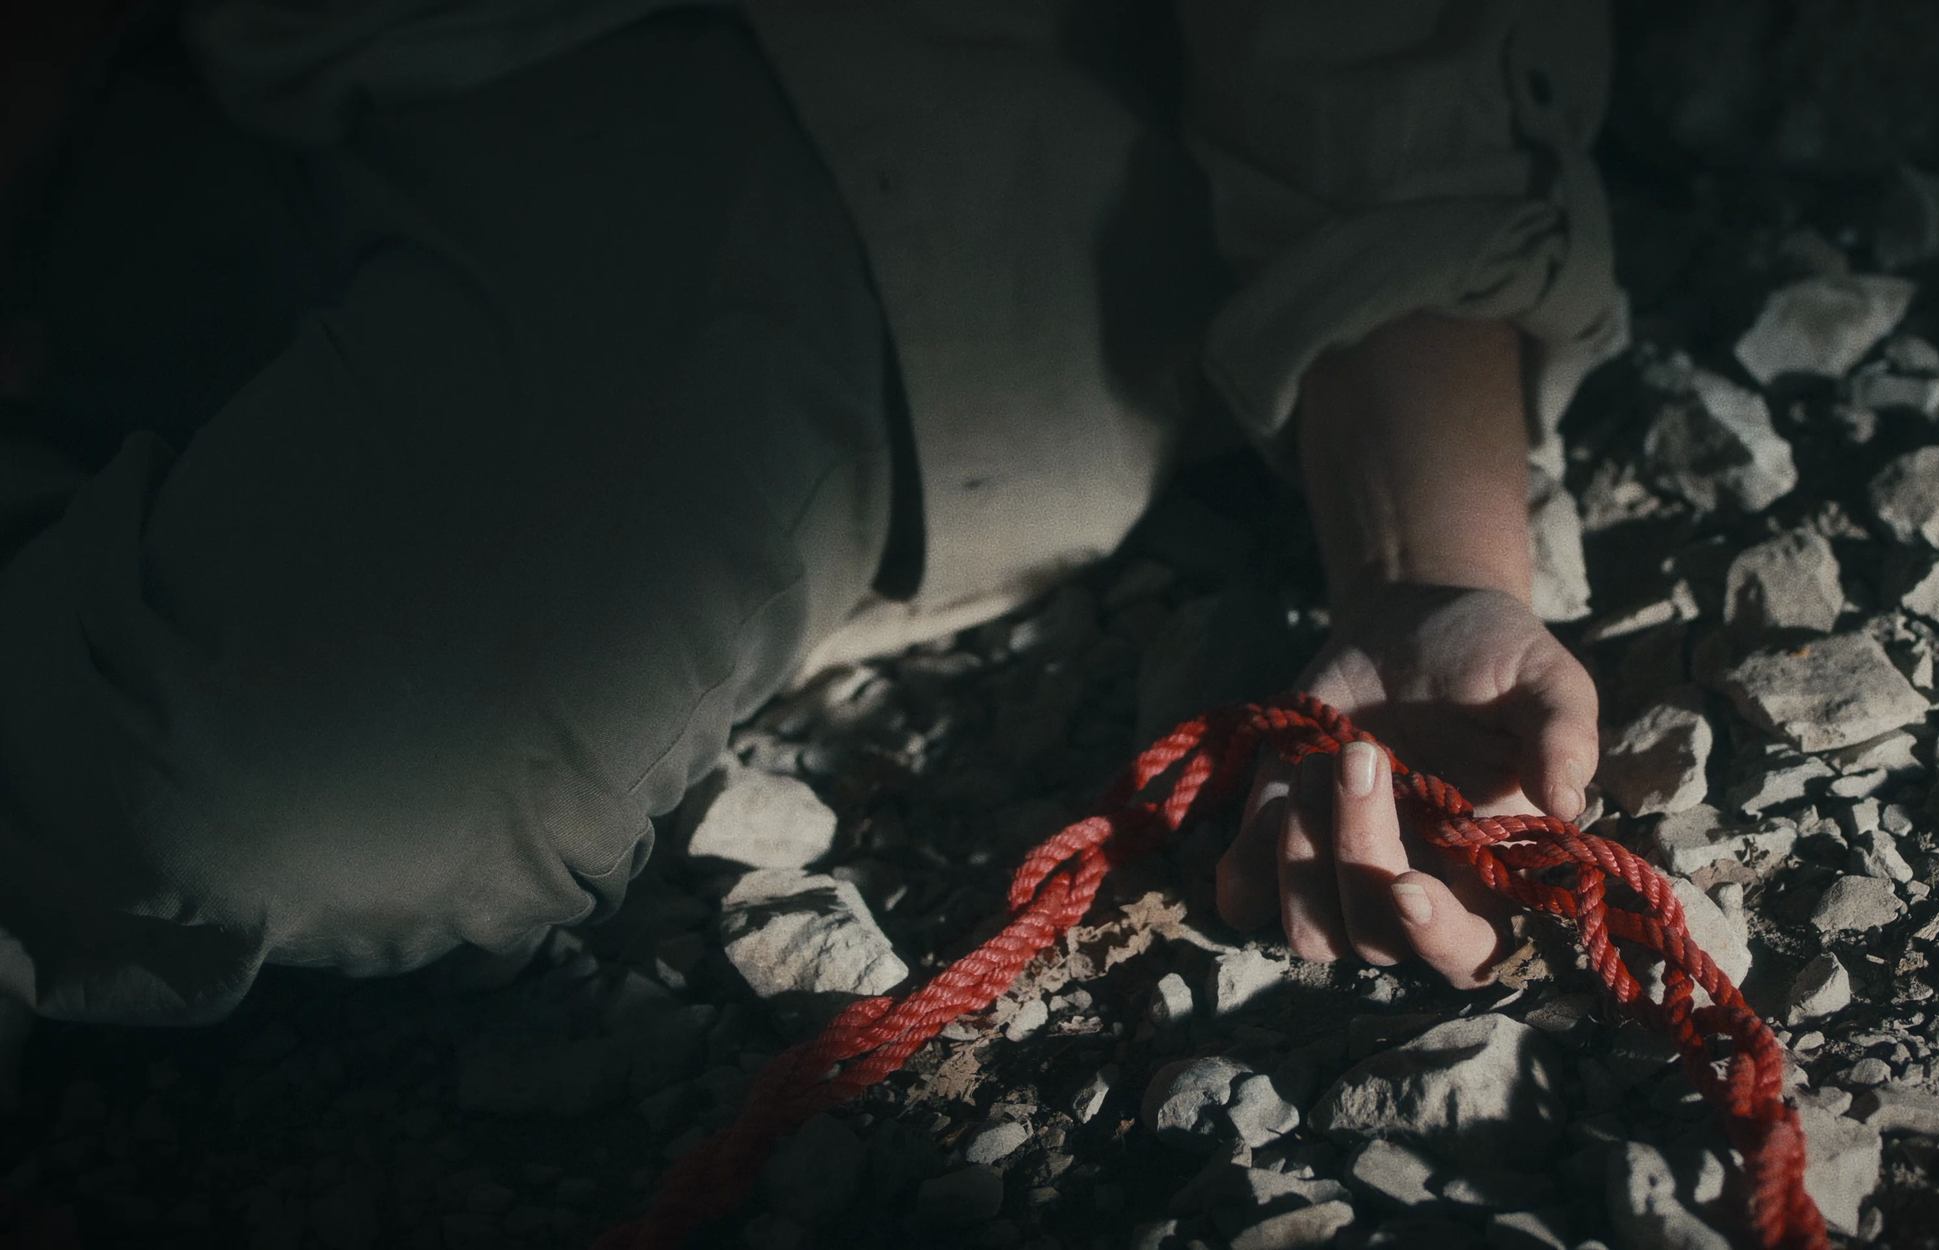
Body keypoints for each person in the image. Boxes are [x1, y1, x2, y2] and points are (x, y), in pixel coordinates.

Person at [0, 0, 1626, 1026]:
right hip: (226, 77)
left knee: (261, 792)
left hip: (809, 104)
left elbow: (1381, 53)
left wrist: (1422, 573)